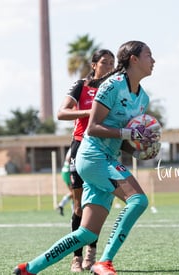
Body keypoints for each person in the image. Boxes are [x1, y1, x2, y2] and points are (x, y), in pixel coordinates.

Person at [13, 40, 160, 275]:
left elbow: (124, 139)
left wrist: (140, 151)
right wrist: (128, 133)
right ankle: (104, 262)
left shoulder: (143, 99)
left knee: (87, 233)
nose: (153, 60)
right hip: (93, 156)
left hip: (107, 158)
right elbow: (92, 127)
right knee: (138, 201)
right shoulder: (112, 85)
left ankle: (29, 268)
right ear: (133, 59)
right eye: (149, 55)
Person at [56, 49, 115, 272]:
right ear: (94, 65)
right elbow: (61, 113)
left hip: (104, 148)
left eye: (112, 63)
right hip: (81, 145)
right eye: (104, 62)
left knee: (96, 204)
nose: (108, 66)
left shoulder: (114, 89)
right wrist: (89, 112)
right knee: (79, 205)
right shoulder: (81, 85)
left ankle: (92, 252)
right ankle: (76, 257)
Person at [56, 147, 73, 217]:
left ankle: (61, 205)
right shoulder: (75, 145)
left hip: (67, 171)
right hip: (68, 171)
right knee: (75, 193)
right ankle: (61, 205)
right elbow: (68, 159)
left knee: (75, 193)